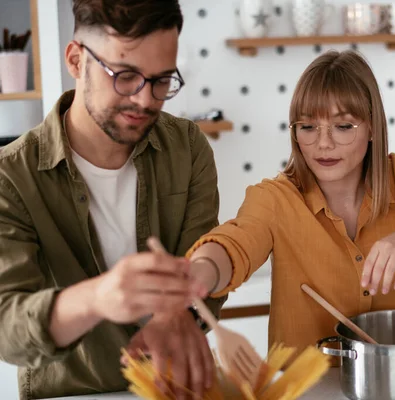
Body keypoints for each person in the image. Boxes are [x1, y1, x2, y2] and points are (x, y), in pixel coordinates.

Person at [183, 50, 395, 359]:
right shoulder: (274, 198)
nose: (323, 144)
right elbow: (234, 245)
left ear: (372, 127)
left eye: (343, 126)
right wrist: (201, 272)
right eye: (307, 127)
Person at [0, 1, 226, 398]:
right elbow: (7, 331)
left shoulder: (188, 148)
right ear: (75, 59)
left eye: (161, 80)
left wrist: (179, 311)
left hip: (176, 389)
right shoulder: (10, 177)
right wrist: (97, 298)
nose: (145, 100)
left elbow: (205, 260)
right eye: (125, 76)